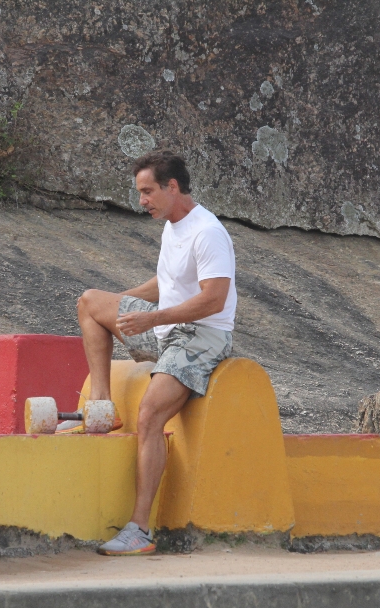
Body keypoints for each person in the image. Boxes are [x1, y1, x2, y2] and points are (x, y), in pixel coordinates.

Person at [75, 151, 237, 556]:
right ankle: (102, 406)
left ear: (173, 187)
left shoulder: (208, 232)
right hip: (165, 327)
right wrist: (121, 304)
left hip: (200, 337)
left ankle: (140, 530)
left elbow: (214, 299)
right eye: (140, 192)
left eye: (147, 192)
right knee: (91, 302)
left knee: (149, 415)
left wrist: (152, 318)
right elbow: (165, 283)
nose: (141, 201)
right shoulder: (172, 226)